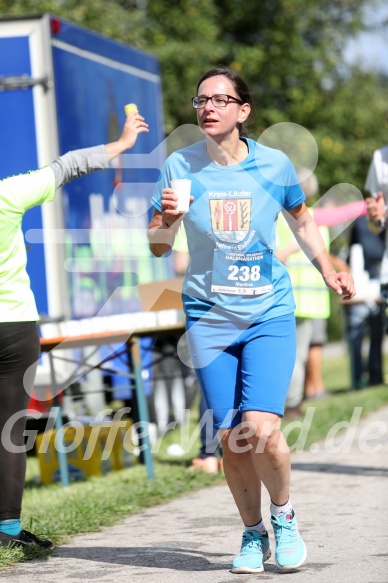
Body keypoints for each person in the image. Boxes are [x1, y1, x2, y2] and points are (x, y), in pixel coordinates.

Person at [147, 67, 355, 574]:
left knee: (261, 429)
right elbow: (156, 246)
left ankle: (283, 517)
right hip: (209, 314)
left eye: (220, 99)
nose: (208, 107)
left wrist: (327, 269)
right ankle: (251, 533)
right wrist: (168, 221)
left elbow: (302, 218)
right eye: (201, 100)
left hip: (267, 311)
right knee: (229, 437)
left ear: (243, 111)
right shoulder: (180, 165)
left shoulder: (274, 165)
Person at [0, 110, 149, 549]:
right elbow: (67, 165)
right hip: (13, 326)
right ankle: (6, 532)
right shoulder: (7, 194)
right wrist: (121, 146)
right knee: (8, 430)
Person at [344, 215, 385, 389]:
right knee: (372, 335)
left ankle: (359, 378)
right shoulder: (369, 223)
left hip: (364, 283)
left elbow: (352, 251)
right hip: (371, 283)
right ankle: (373, 376)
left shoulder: (359, 222)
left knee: (360, 337)